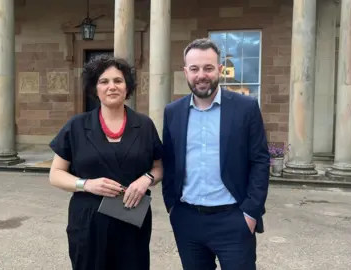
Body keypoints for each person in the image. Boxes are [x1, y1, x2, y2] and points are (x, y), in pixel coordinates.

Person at [161, 38, 270, 270]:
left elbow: (260, 160)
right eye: (195, 69)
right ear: (185, 72)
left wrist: (250, 213)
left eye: (208, 68)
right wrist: (172, 207)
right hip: (187, 220)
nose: (202, 75)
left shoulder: (246, 108)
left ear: (220, 70)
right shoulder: (173, 112)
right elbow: (169, 162)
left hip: (233, 219)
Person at [49, 55, 163, 270]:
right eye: (104, 81)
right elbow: (55, 174)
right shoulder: (77, 126)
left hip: (131, 217)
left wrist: (146, 179)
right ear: (95, 87)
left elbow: (159, 167)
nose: (112, 87)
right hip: (88, 221)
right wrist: (87, 184)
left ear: (127, 86)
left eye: (118, 81)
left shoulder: (145, 125)